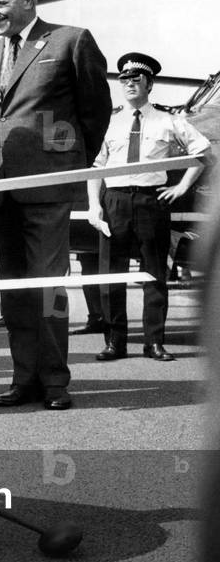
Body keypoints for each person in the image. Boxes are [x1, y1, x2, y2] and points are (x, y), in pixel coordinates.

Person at [0, 0, 112, 411]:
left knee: (49, 284)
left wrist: (70, 164)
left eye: (0, 3)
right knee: (13, 289)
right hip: (1, 189)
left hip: (48, 185)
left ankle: (55, 382)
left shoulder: (70, 40)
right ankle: (24, 378)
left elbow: (95, 111)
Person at [89, 52, 211, 362]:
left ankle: (154, 342)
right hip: (114, 201)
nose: (129, 84)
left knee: (155, 275)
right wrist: (94, 207)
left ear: (150, 83)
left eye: (136, 79)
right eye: (124, 80)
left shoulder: (169, 120)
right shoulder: (109, 121)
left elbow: (203, 151)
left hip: (150, 201)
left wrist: (182, 186)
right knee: (110, 276)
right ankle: (115, 342)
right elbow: (96, 168)